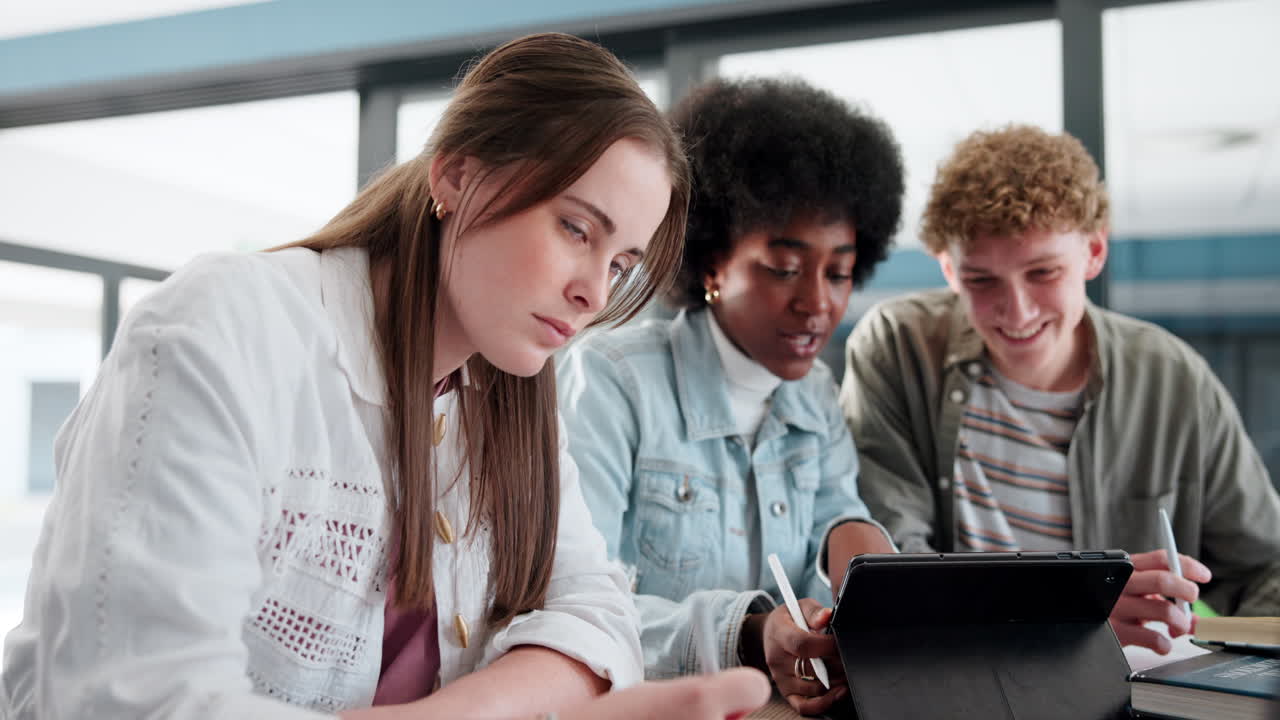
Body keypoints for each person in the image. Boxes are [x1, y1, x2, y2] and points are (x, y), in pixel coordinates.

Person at [1, 32, 770, 720]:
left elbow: (599, 609)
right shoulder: (228, 327)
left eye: (621, 264)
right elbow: (132, 698)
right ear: (457, 176)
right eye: (576, 228)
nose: (595, 293)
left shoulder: (510, 394)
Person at [840, 124, 1280, 654]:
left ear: (1094, 253)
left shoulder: (1173, 379)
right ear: (949, 269)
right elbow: (887, 568)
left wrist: (1230, 675)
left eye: (1043, 272)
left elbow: (1268, 567)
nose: (1017, 312)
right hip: (959, 679)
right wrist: (1061, 614)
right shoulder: (898, 348)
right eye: (981, 281)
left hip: (1139, 690)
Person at [559, 77, 905, 716]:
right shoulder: (614, 381)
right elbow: (571, 603)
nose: (817, 303)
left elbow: (837, 510)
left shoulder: (815, 395)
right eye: (783, 267)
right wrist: (749, 634)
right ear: (713, 261)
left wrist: (860, 552)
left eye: (839, 272)